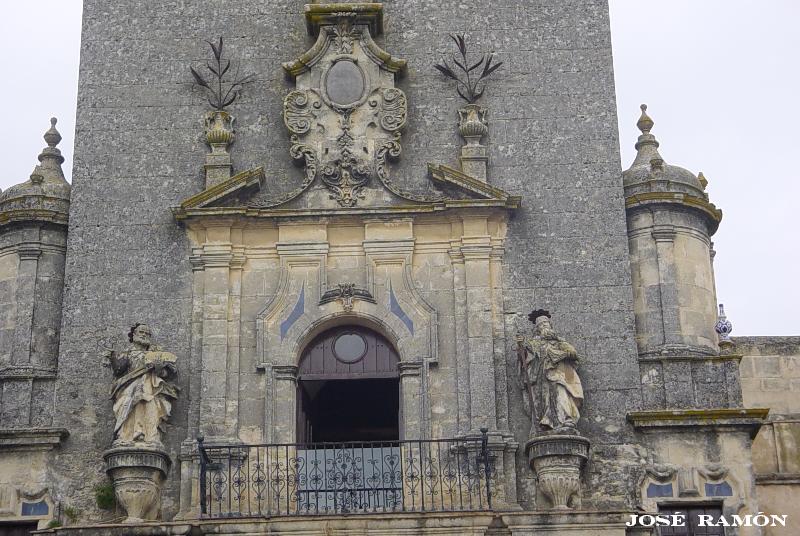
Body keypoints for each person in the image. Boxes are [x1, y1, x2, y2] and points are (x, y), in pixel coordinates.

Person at [104, 324, 179, 446]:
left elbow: (166, 374)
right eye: (141, 332)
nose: (144, 335)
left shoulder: (156, 354)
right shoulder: (127, 353)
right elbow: (119, 371)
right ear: (133, 335)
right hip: (128, 387)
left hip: (151, 386)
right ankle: (126, 436)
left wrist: (159, 367)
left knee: (151, 406)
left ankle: (150, 436)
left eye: (147, 333)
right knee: (128, 404)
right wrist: (112, 358)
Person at [518, 310, 583, 434]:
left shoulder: (559, 342)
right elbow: (525, 359)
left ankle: (566, 420)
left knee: (560, 393)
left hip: (559, 374)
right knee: (544, 398)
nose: (544, 327)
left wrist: (559, 352)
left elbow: (573, 354)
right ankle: (546, 423)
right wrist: (521, 347)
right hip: (541, 377)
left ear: (550, 325)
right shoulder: (534, 343)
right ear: (537, 329)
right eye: (541, 326)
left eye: (546, 324)